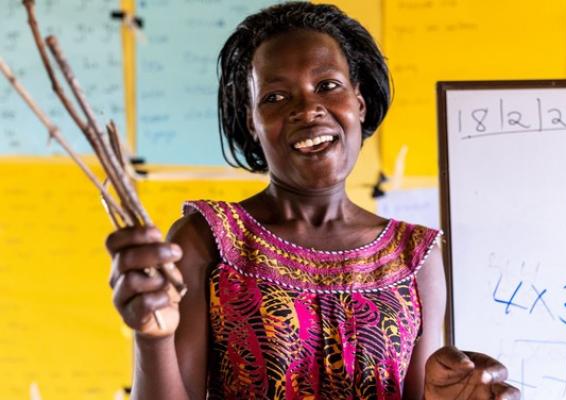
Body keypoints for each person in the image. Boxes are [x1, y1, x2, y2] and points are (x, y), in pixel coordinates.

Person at [105, 2, 520, 399]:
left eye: (327, 85)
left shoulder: (414, 256)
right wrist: (152, 337)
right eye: (275, 97)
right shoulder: (208, 239)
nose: (307, 108)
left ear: (358, 103)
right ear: (252, 123)